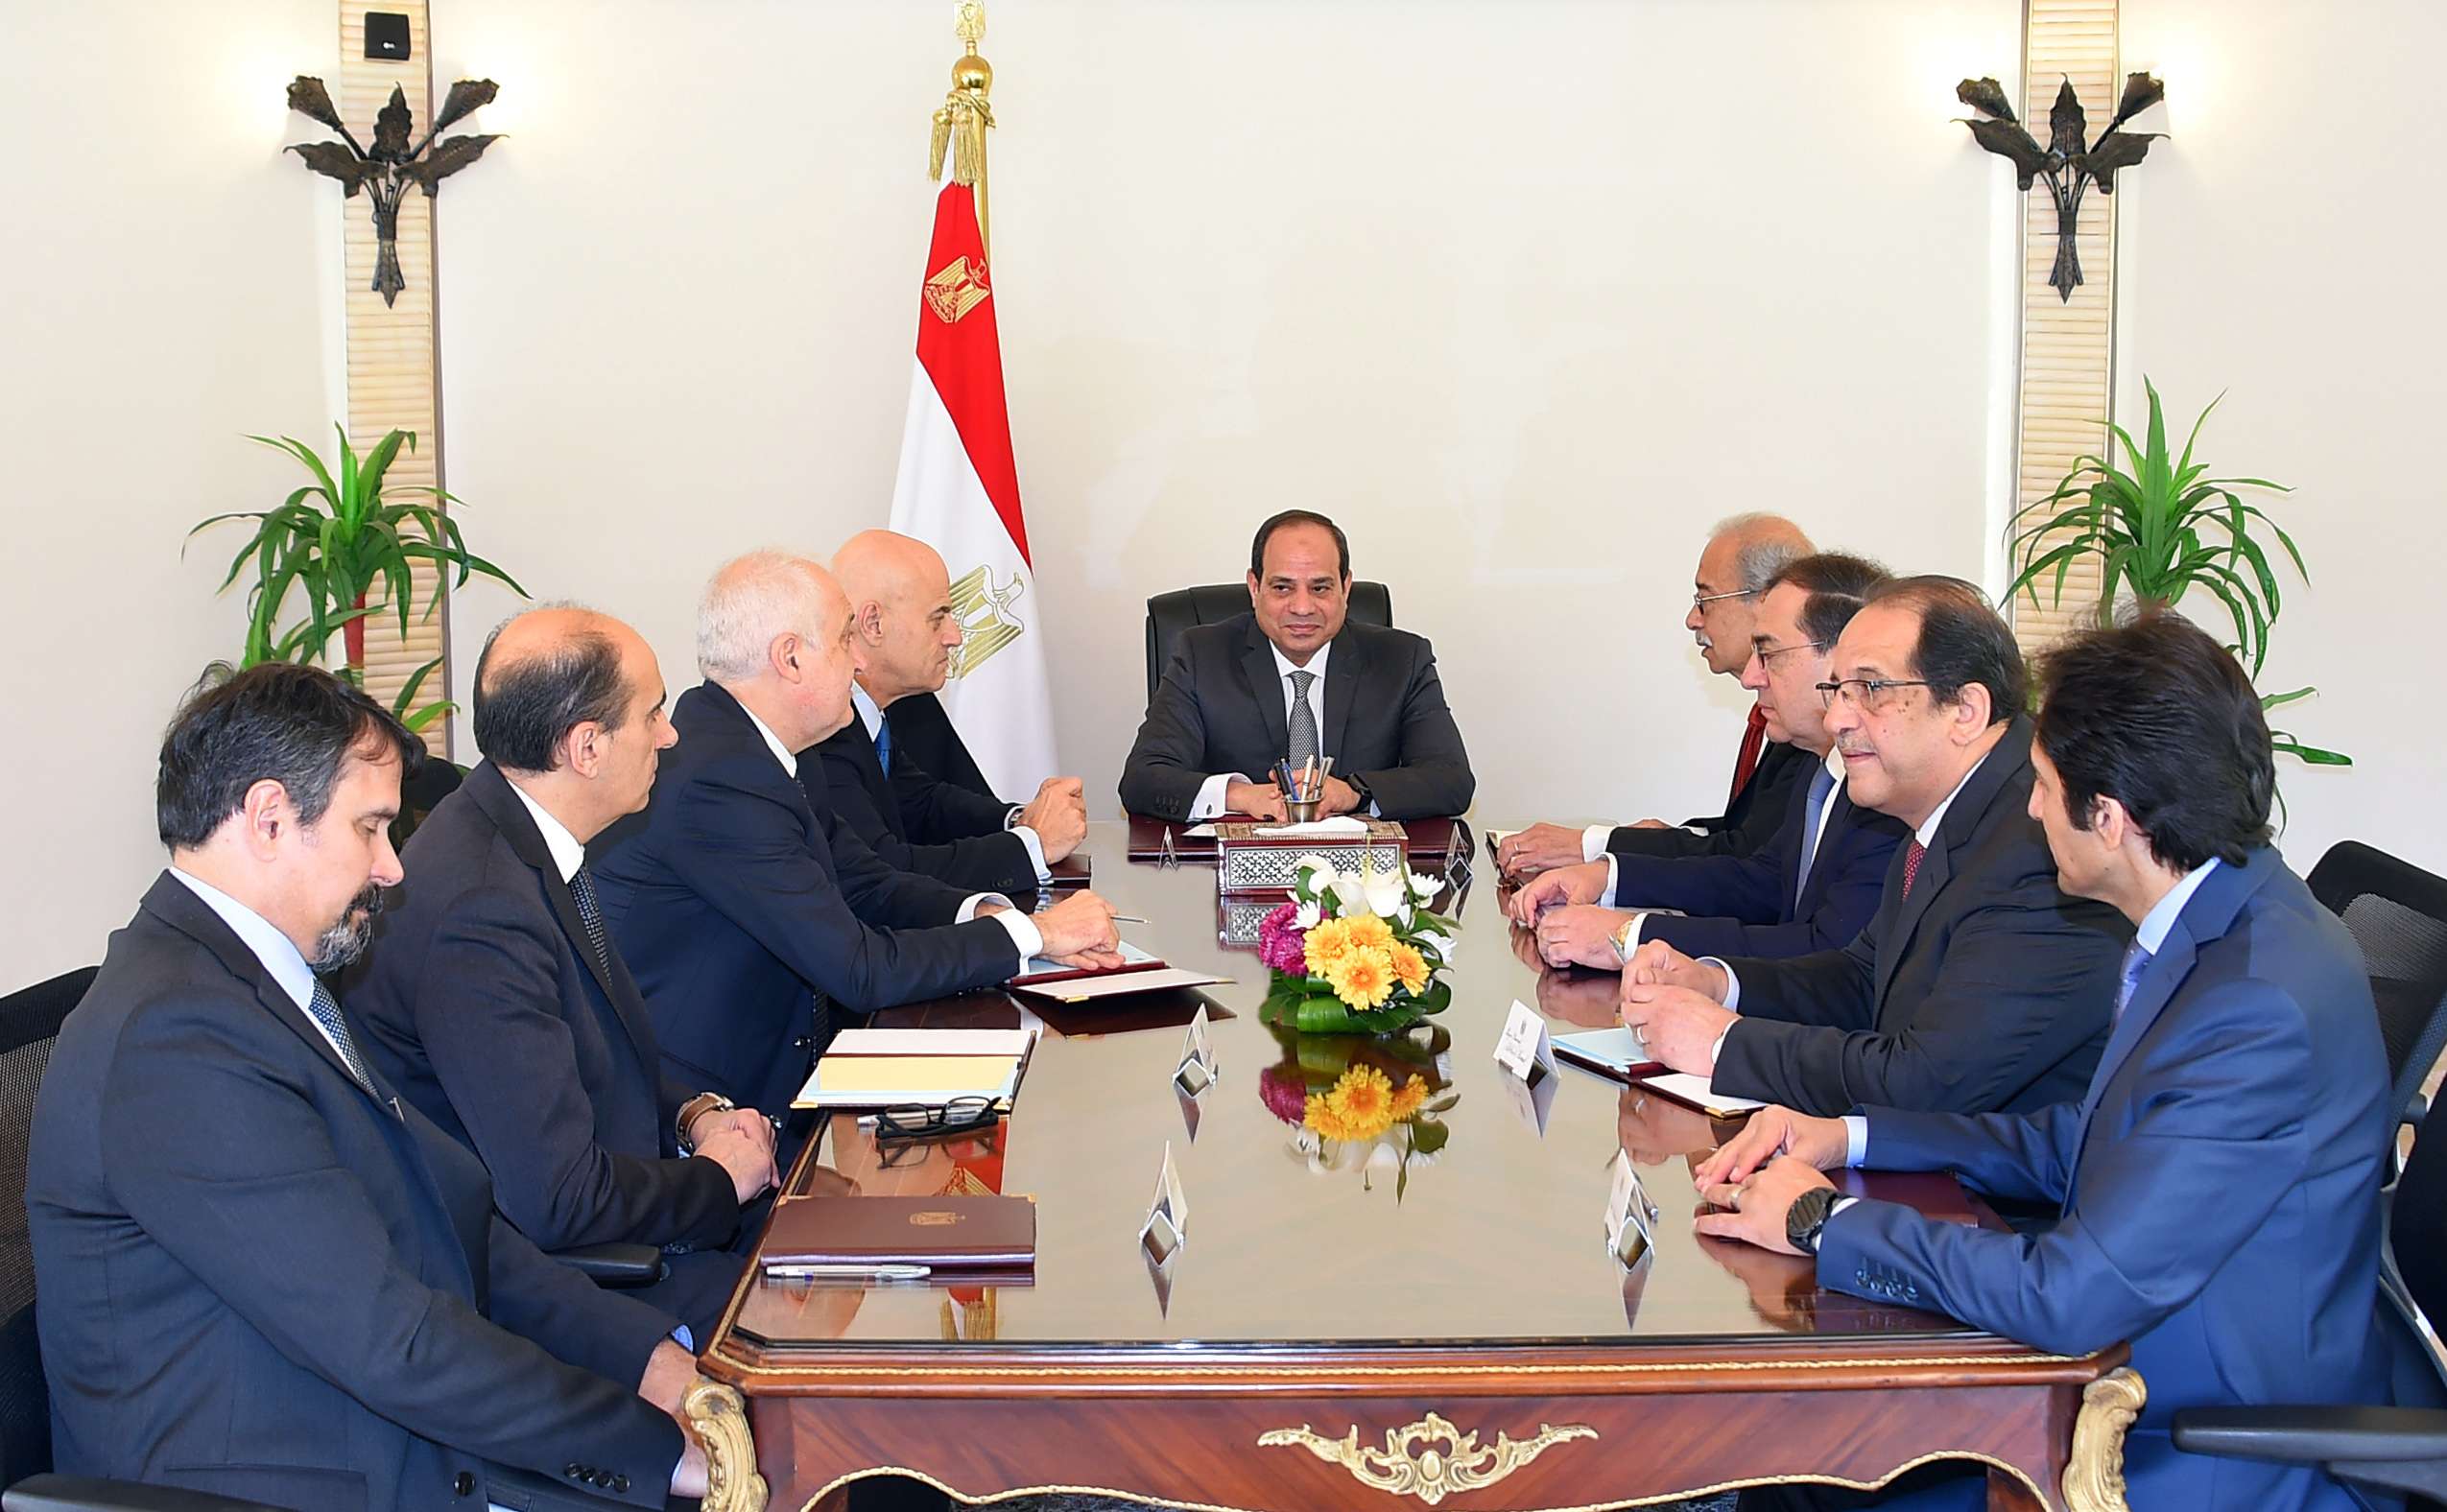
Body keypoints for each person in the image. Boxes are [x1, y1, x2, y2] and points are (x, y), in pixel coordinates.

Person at [1689, 613, 2393, 1512]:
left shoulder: (2254, 1004)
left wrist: (1823, 1223)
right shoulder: (2226, 917)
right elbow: (2092, 1137)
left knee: (1809, 1462)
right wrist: (1851, 1137)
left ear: (2110, 817)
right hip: (2142, 1353)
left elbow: (2074, 1297)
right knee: (1795, 1440)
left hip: (2183, 1437)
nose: (2027, 807)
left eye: (2044, 784)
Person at [27, 662, 706, 1509]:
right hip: (289, 1474)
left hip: (361, 1415)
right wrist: (650, 1448)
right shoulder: (178, 1038)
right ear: (270, 819)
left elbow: (449, 1215)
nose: (393, 868)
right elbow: (391, 1340)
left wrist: (636, 1354)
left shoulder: (262, 980)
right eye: (372, 828)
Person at [350, 607, 776, 1342]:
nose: (669, 736)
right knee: (833, 1322)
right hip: (571, 1285)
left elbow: (591, 1047)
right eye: (652, 715)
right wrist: (715, 1181)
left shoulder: (513, 836)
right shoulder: (481, 909)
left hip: (622, 1212)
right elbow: (555, 1199)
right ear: (585, 747)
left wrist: (692, 1113)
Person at [591, 551, 1121, 1118]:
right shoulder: (717, 780)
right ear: (790, 659)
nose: (858, 666)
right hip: (711, 1109)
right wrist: (1035, 934)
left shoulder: (776, 748)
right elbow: (859, 969)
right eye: (846, 641)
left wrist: (989, 916)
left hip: (794, 1064)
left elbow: (868, 883)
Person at [1617, 578, 2126, 1118]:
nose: (1838, 718)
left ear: (1965, 710)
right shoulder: (1950, 806)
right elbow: (1863, 977)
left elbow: (1927, 1080)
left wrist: (1724, 1043)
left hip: (1991, 1194)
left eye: (1872, 689)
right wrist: (1717, 982)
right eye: (1836, 690)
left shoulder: (2039, 841)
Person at [1506, 553, 1905, 964]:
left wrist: (1627, 936)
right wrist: (1609, 875)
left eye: (1768, 654)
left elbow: (1830, 956)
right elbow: (1765, 881)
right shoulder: (1821, 765)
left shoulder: (1888, 791)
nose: (1751, 676)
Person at [1498, 512, 1814, 875]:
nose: (1692, 619)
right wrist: (1647, 838)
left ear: (1765, 601)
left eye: (1704, 600)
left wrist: (1594, 850)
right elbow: (1744, 835)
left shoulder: (1811, 724)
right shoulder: (1779, 712)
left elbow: (1748, 859)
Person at [1118, 509, 1474, 821]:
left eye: (1320, 588)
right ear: (1254, 588)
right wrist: (1244, 796)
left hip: (1358, 882)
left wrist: (1353, 794)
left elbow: (1452, 780)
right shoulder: (1202, 655)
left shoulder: (1402, 660)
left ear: (1345, 588)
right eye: (1283, 588)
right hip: (1235, 878)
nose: (1302, 608)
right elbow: (1142, 779)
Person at [805, 529, 1087, 895]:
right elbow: (884, 870)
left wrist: (1019, 819)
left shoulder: (878, 711)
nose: (955, 636)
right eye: (938, 618)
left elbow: (922, 804)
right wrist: (1033, 845)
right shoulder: (821, 728)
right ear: (873, 624)